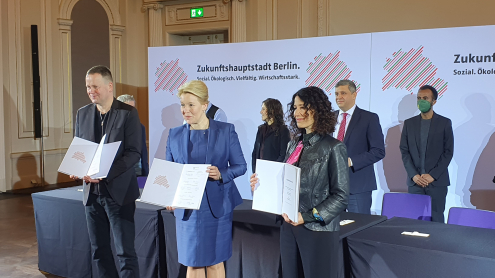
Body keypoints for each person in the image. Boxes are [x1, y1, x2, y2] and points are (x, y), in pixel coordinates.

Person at [250, 86, 349, 278]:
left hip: (317, 229)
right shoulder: (293, 144)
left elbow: (341, 196)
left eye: (303, 107)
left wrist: (308, 216)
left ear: (318, 109)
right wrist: (261, 186)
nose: (298, 113)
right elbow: (286, 181)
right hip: (289, 226)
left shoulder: (334, 147)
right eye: (295, 108)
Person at [165, 80, 247, 278]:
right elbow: (170, 172)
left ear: (204, 104)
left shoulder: (226, 130)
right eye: (183, 105)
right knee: (192, 263)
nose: (186, 110)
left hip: (217, 209)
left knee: (215, 263)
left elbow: (241, 166)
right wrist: (168, 196)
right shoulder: (174, 134)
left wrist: (221, 174)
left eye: (191, 105)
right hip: (187, 210)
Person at [70, 65, 141, 277]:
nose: (91, 90)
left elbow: (134, 152)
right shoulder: (82, 113)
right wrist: (76, 167)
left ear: (109, 86)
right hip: (91, 196)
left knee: (125, 253)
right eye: (88, 87)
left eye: (95, 86)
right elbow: (79, 148)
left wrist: (104, 172)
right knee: (99, 251)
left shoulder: (128, 113)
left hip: (118, 194)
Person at [400, 85, 454, 223]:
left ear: (434, 101)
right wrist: (414, 175)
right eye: (419, 98)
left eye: (425, 98)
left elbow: (448, 152)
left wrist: (433, 175)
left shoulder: (445, 123)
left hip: (437, 183)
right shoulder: (409, 123)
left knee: (436, 219)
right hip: (415, 182)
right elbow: (404, 151)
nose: (421, 101)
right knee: (414, 220)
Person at [334, 80, 385, 214]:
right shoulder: (329, 119)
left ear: (354, 94)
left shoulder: (369, 118)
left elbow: (378, 151)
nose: (339, 97)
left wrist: (350, 161)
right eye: (336, 94)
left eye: (343, 93)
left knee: (357, 229)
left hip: (357, 187)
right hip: (331, 188)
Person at [251, 98, 291, 172]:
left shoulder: (283, 130)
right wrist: (255, 171)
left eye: (263, 109)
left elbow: (283, 155)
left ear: (272, 111)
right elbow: (255, 153)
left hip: (274, 174)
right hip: (259, 174)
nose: (261, 112)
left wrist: (272, 171)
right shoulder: (261, 129)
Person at [116, 94, 149, 176]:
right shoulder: (112, 128)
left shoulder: (140, 127)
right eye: (128, 108)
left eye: (133, 108)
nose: (131, 112)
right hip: (119, 172)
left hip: (137, 172)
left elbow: (143, 151)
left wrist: (145, 172)